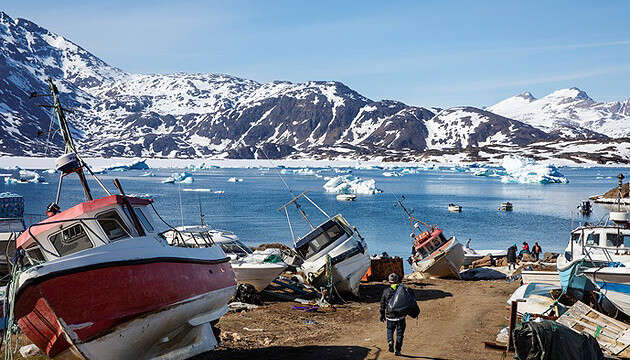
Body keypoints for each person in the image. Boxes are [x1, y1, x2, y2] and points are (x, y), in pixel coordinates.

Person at [380, 273, 406, 356]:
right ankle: (398, 350)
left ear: (389, 282)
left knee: (389, 330)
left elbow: (382, 304)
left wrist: (382, 315)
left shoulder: (386, 291)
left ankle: (390, 341)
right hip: (400, 317)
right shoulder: (402, 290)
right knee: (400, 334)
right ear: (397, 281)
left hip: (390, 316)